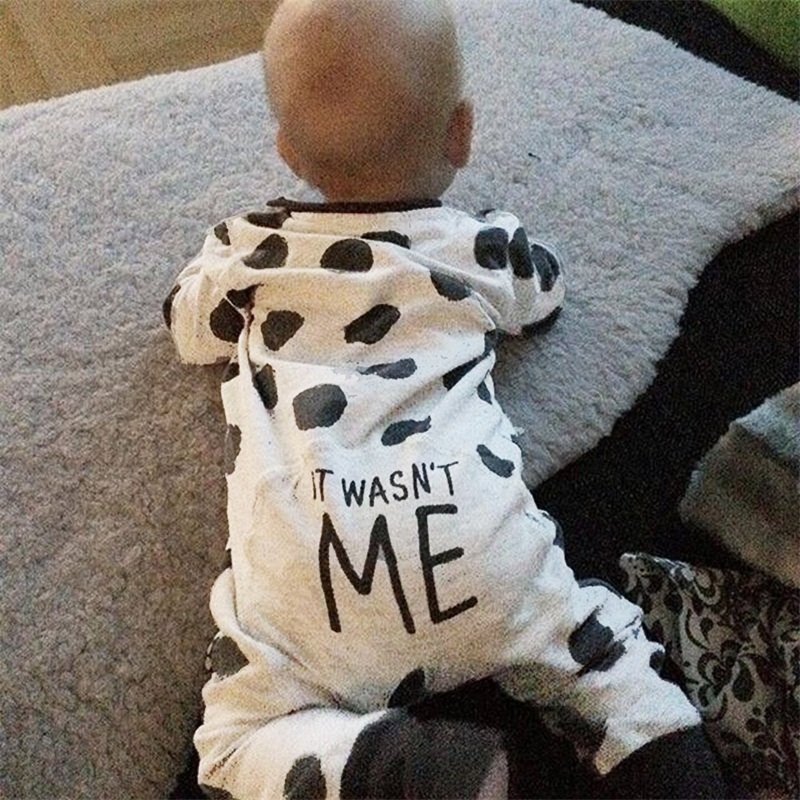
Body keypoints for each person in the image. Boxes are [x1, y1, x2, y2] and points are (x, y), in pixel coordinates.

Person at [164, 1, 727, 797]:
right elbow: (545, 292)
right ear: (460, 133)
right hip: (481, 560)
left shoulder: (250, 253)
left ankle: (390, 768)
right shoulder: (476, 248)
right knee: (597, 663)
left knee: (232, 747)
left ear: (287, 151)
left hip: (311, 586)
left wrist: (215, 270)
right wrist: (505, 238)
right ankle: (666, 761)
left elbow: (187, 324)